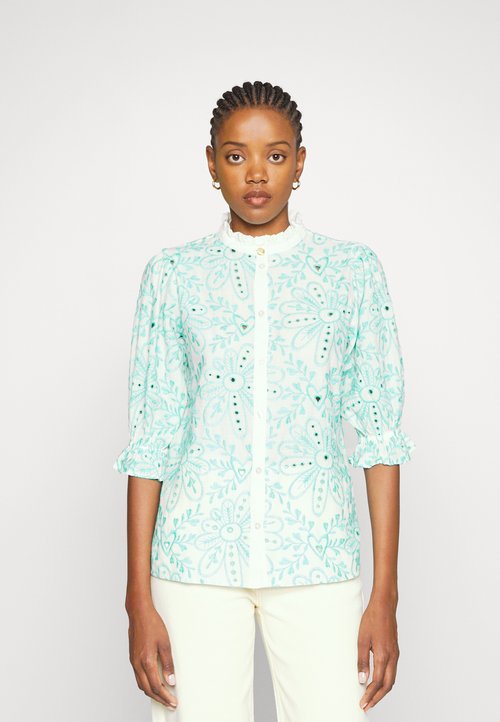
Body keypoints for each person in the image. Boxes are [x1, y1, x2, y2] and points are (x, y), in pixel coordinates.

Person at [113, 80, 416, 722]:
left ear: (300, 163)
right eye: (236, 155)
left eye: (276, 155)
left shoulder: (352, 272)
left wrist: (385, 596)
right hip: (193, 561)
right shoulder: (173, 275)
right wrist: (137, 599)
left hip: (318, 554)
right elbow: (151, 438)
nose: (256, 173)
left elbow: (381, 438)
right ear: (211, 163)